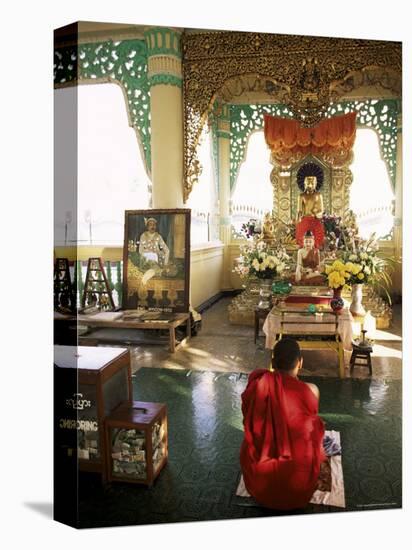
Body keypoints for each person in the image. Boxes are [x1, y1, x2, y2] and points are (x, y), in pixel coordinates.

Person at [240, 338, 326, 510]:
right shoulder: (311, 390)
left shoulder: (258, 384)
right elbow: (310, 429)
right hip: (299, 488)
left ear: (272, 363)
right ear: (300, 363)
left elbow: (248, 420)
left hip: (260, 485)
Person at [296, 175, 325, 248]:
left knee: (317, 239)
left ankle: (315, 248)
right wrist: (297, 221)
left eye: (312, 183)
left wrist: (317, 214)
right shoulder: (301, 196)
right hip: (304, 219)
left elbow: (321, 210)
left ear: (315, 184)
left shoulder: (318, 195)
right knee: (301, 237)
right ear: (304, 184)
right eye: (308, 183)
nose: (310, 185)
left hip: (315, 219)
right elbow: (299, 210)